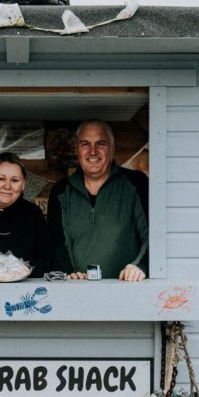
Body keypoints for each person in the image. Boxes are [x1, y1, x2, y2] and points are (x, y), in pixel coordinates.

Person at [48, 120, 148, 281]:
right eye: (85, 144)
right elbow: (57, 243)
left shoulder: (136, 183)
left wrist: (141, 265)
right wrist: (68, 274)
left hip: (127, 287)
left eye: (100, 143)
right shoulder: (61, 190)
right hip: (76, 289)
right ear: (77, 150)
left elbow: (153, 234)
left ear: (112, 148)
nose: (92, 151)